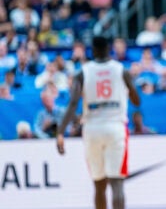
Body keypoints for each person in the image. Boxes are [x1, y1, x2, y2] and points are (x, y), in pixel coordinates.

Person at [56, 36, 140, 209]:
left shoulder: (83, 72)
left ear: (92, 50)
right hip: (115, 126)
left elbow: (72, 104)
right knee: (117, 183)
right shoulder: (120, 70)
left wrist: (60, 132)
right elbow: (137, 101)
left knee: (99, 184)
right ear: (109, 48)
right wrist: (127, 89)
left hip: (92, 128)